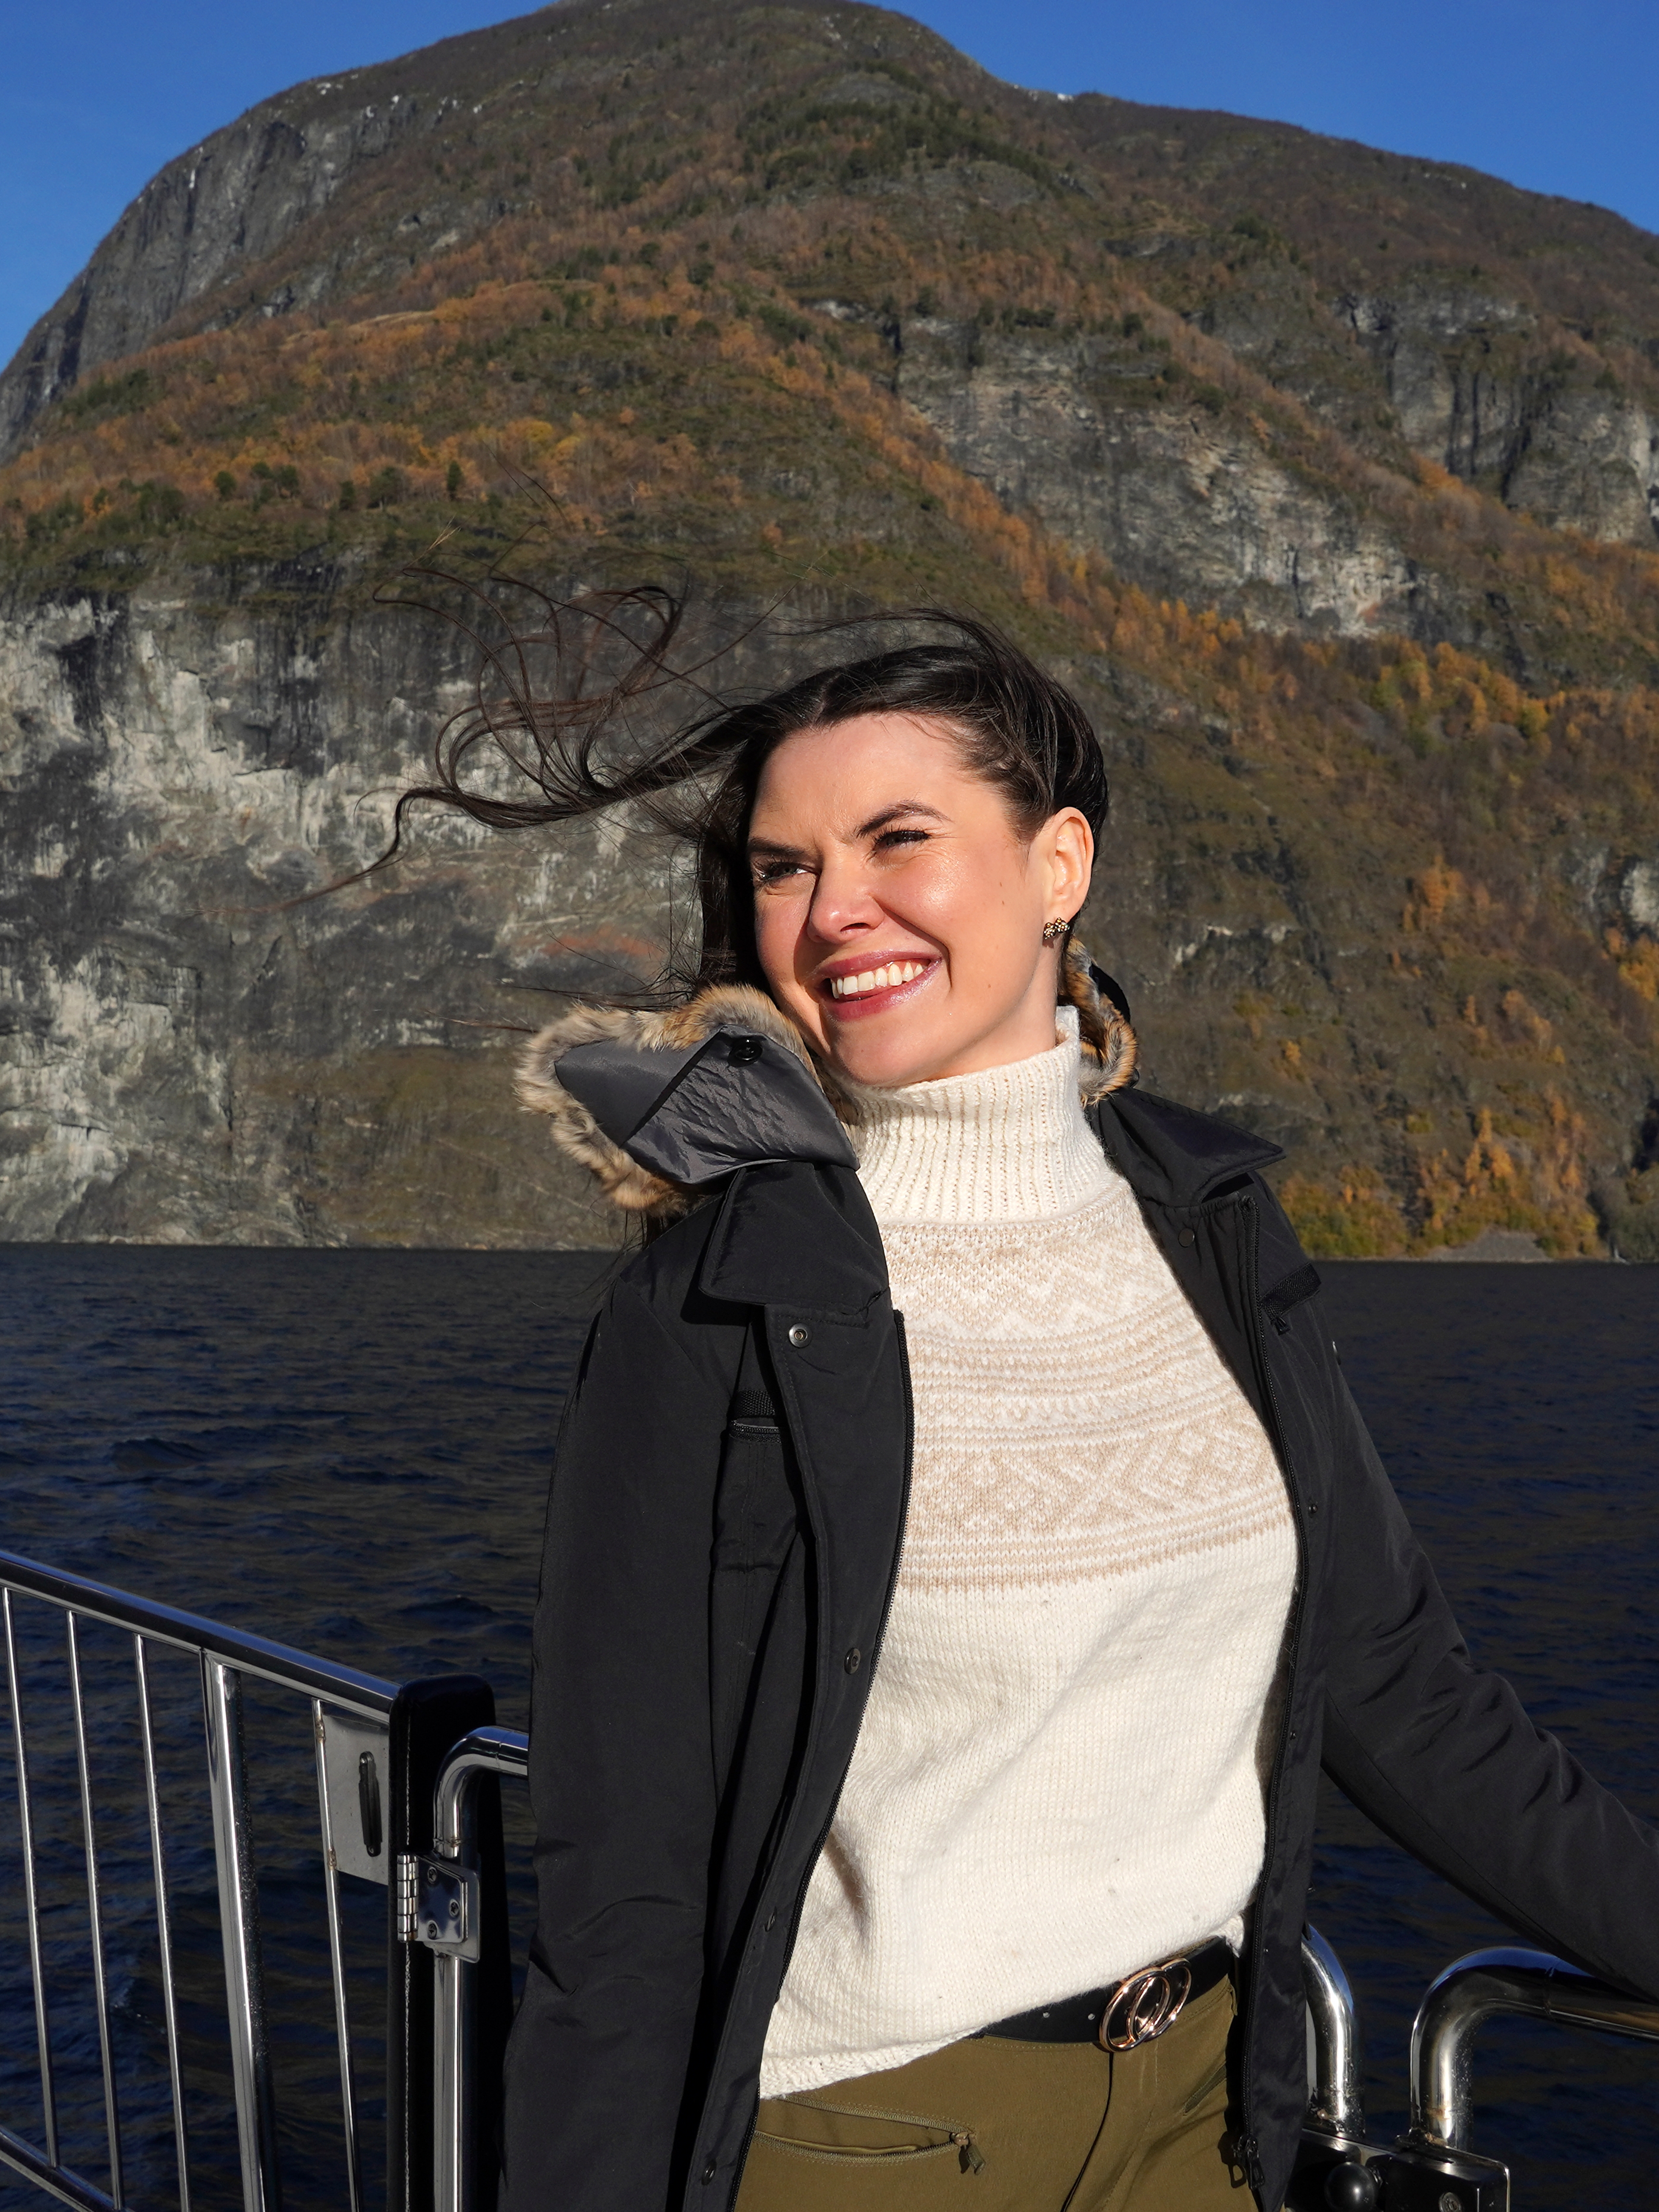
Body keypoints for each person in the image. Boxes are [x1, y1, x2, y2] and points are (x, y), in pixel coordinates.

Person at [417, 600, 1659, 2212]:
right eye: (785, 868)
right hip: (873, 2141)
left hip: (1207, 2120)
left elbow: (1401, 1690)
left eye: (898, 841)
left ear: (1058, 864)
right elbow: (626, 1872)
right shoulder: (723, 1295)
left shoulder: (1210, 1229)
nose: (832, 913)